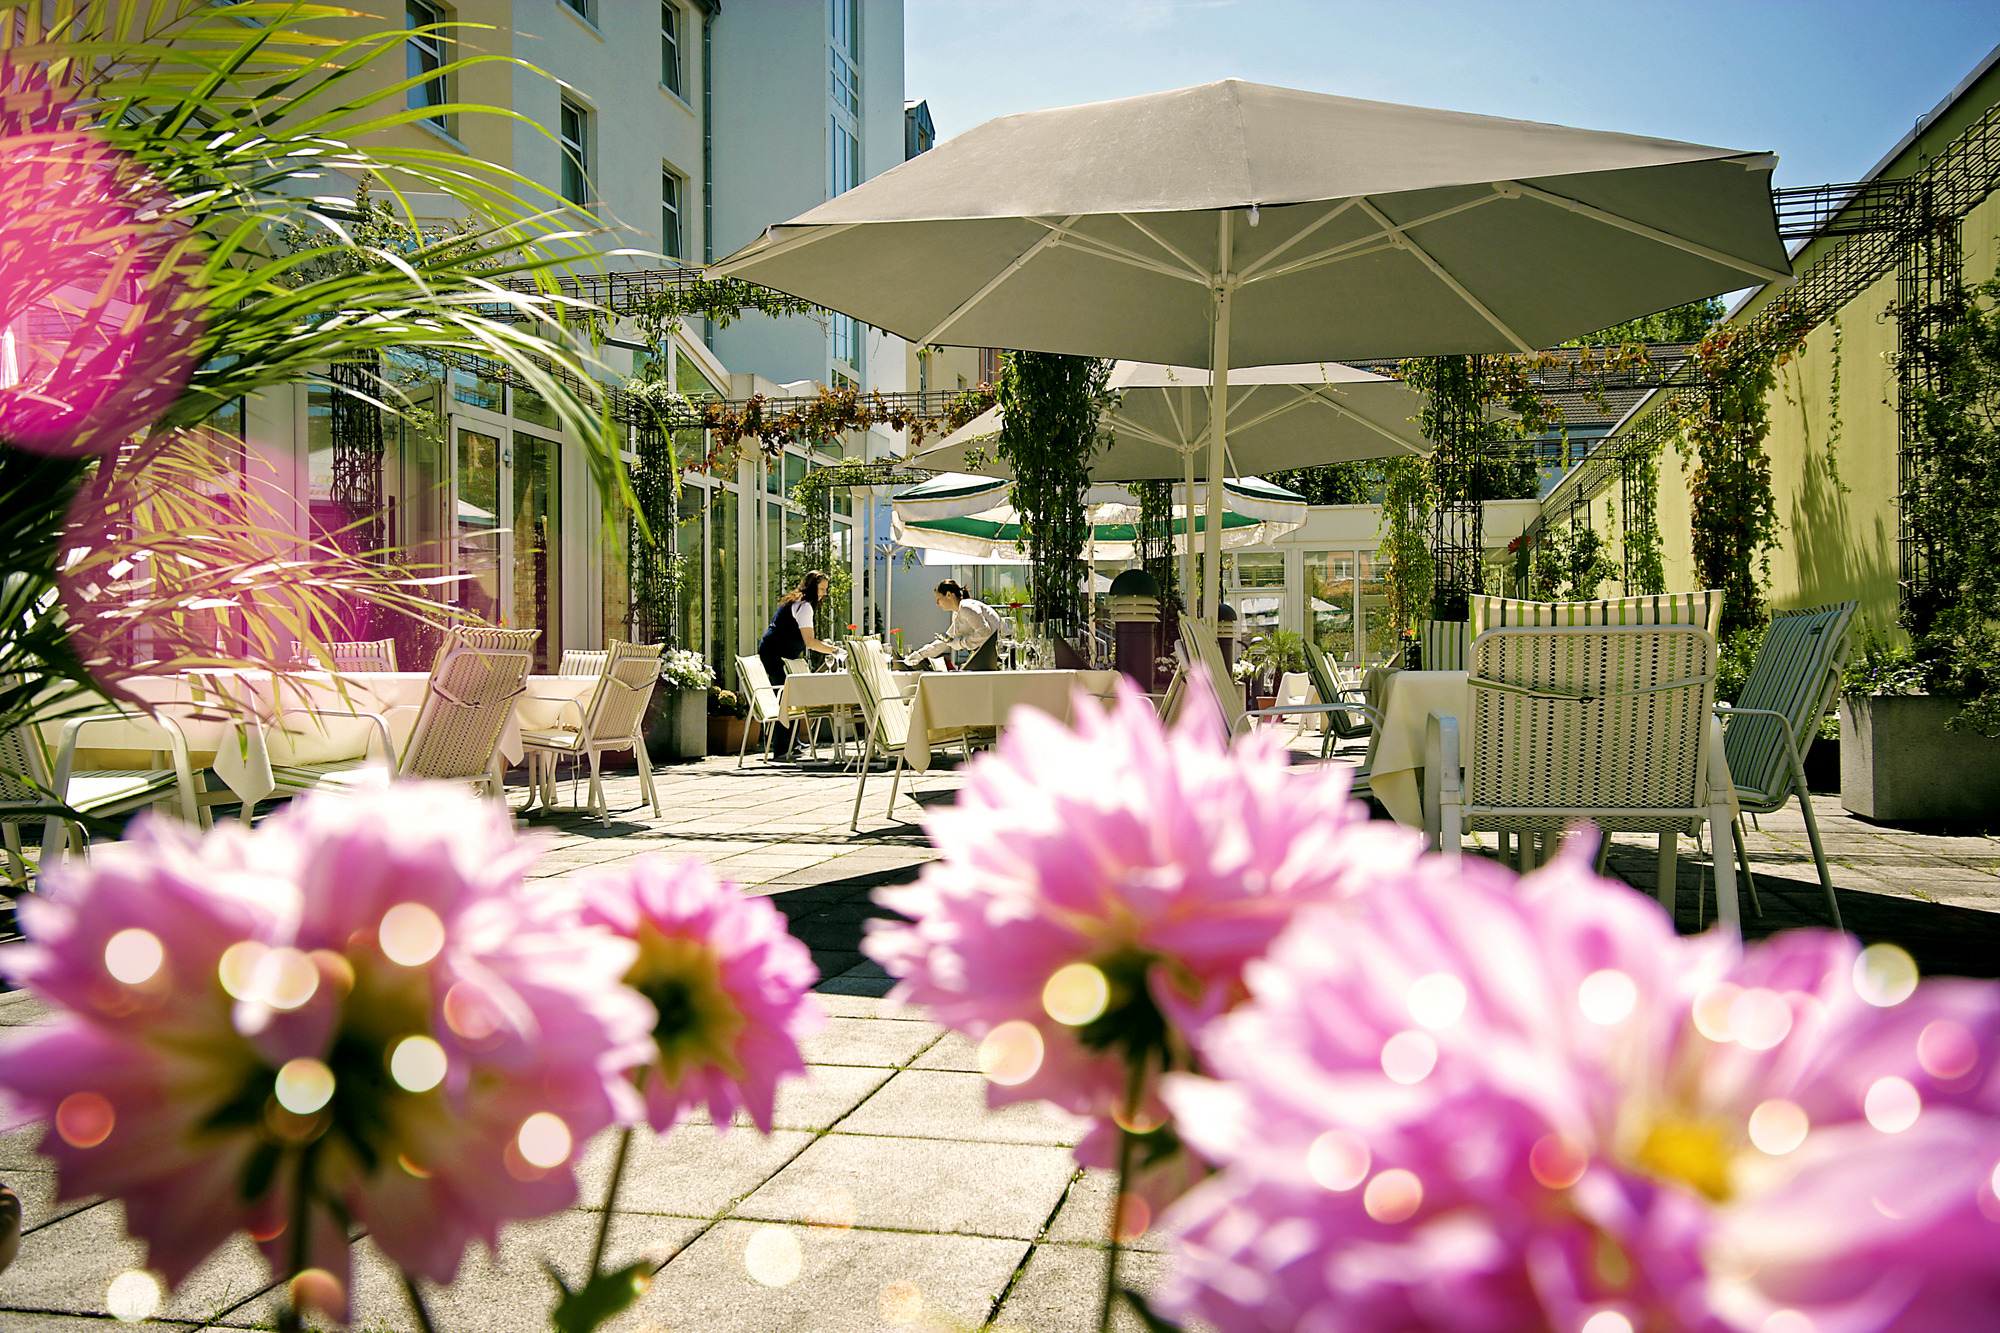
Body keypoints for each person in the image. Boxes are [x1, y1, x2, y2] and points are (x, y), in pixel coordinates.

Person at [759, 570, 841, 760]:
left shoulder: (797, 601)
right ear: (812, 588)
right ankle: (782, 747)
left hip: (775, 650)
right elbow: (810, 642)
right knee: (785, 696)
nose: (824, 594)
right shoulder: (804, 606)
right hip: (776, 653)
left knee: (791, 693)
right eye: (821, 589)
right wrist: (835, 651)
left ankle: (792, 742)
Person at [905, 579, 1004, 671]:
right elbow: (945, 641)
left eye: (938, 598)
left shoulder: (966, 607)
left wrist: (961, 643)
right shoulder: (957, 614)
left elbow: (985, 633)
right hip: (991, 655)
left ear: (949, 595)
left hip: (1003, 654)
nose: (937, 603)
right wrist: (919, 654)